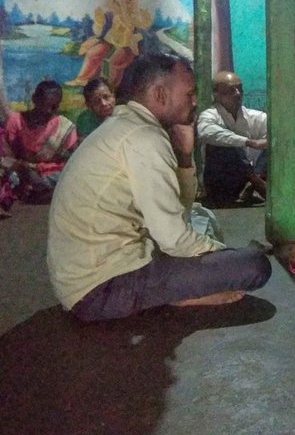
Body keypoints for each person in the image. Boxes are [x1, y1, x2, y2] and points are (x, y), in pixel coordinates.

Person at [47, 54, 272, 322]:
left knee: (206, 246)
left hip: (92, 277)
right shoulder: (144, 138)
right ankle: (180, 293)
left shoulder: (126, 126)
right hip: (101, 290)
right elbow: (175, 239)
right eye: (189, 93)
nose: (195, 101)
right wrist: (222, 254)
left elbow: (179, 213)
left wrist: (186, 156)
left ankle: (178, 287)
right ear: (160, 94)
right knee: (253, 264)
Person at [1, 80, 78, 204]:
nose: (49, 111)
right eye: (45, 104)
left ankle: (39, 191)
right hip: (21, 172)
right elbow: (7, 155)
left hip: (50, 175)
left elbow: (74, 161)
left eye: (54, 106)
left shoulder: (65, 127)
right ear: (34, 100)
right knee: (9, 176)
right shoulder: (16, 121)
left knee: (67, 177)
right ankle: (41, 192)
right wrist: (24, 170)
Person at [197, 71, 267, 206]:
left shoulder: (254, 117)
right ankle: (255, 182)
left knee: (278, 142)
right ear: (216, 94)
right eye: (231, 90)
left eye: (240, 88)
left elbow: (289, 131)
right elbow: (205, 132)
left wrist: (270, 141)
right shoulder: (209, 115)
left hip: (247, 180)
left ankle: (252, 183)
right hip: (221, 184)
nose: (238, 93)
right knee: (225, 143)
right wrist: (249, 142)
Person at [65, 0, 153, 89]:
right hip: (111, 43)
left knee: (112, 61)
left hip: (128, 47)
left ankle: (110, 87)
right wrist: (99, 22)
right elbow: (99, 33)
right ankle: (82, 79)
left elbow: (137, 26)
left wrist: (126, 9)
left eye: (118, 0)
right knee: (93, 52)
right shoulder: (110, 15)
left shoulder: (137, 14)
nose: (115, 4)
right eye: (113, 0)